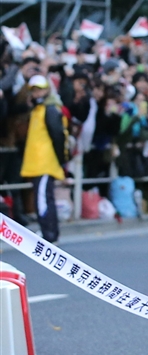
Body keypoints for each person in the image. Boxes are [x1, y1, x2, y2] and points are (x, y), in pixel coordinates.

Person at [19, 75, 68, 243]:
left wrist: (60, 160)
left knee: (43, 199)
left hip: (45, 161)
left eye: (40, 89)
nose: (37, 93)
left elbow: (58, 136)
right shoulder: (37, 110)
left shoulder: (50, 110)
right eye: (34, 90)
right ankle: (49, 231)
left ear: (47, 89)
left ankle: (48, 233)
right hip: (38, 162)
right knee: (44, 197)